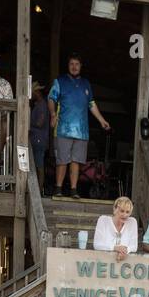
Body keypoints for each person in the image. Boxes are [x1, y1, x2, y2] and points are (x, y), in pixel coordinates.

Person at [48, 54, 111, 199]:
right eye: (72, 64)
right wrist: (52, 114)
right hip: (63, 129)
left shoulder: (86, 84)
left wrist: (102, 120)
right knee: (62, 160)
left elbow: (91, 104)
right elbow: (51, 99)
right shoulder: (60, 81)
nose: (74, 67)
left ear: (81, 66)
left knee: (76, 161)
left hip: (81, 131)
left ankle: (73, 190)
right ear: (68, 66)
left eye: (77, 64)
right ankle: (58, 189)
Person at [30, 79, 49, 192]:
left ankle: (40, 190)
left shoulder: (42, 105)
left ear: (36, 92)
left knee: (39, 166)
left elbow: (40, 123)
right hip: (36, 139)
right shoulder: (38, 105)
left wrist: (28, 124)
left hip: (39, 139)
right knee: (37, 165)